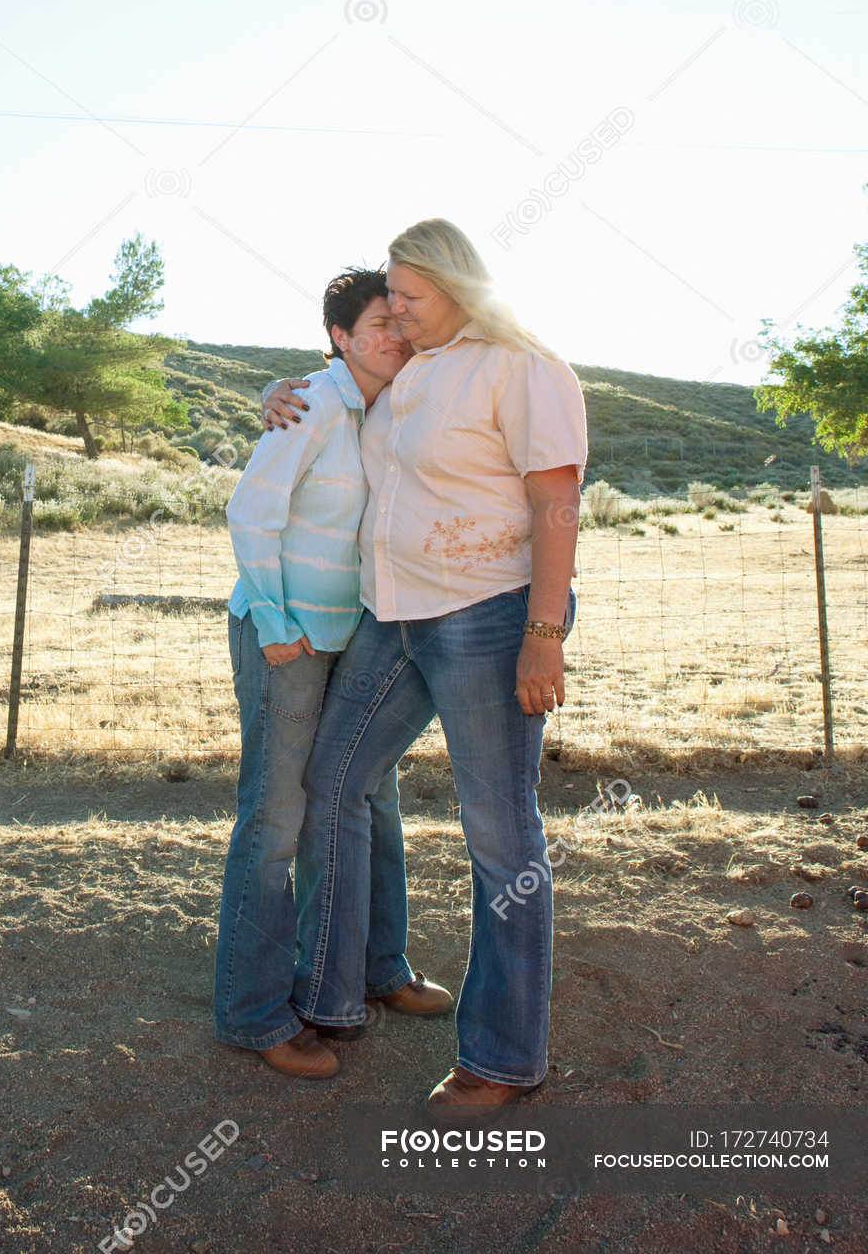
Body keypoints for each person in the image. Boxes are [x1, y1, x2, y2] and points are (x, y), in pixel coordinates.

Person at [262, 218, 586, 1120]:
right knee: (333, 783)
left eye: (407, 294)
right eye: (390, 299)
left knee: (499, 834)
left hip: (487, 616)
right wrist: (276, 395)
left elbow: (556, 499)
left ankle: (503, 1057)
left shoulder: (522, 367)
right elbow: (338, 389)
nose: (394, 310)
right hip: (391, 614)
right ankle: (331, 994)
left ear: (456, 285)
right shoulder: (410, 371)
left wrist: (544, 630)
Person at [214, 268, 452, 1080]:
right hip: (289, 637)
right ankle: (253, 1014)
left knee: (369, 798)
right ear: (340, 338)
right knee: (277, 816)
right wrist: (278, 624)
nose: (394, 333)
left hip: (362, 635)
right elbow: (251, 510)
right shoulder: (310, 402)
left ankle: (377, 969)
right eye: (377, 323)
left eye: (400, 320)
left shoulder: (395, 403)